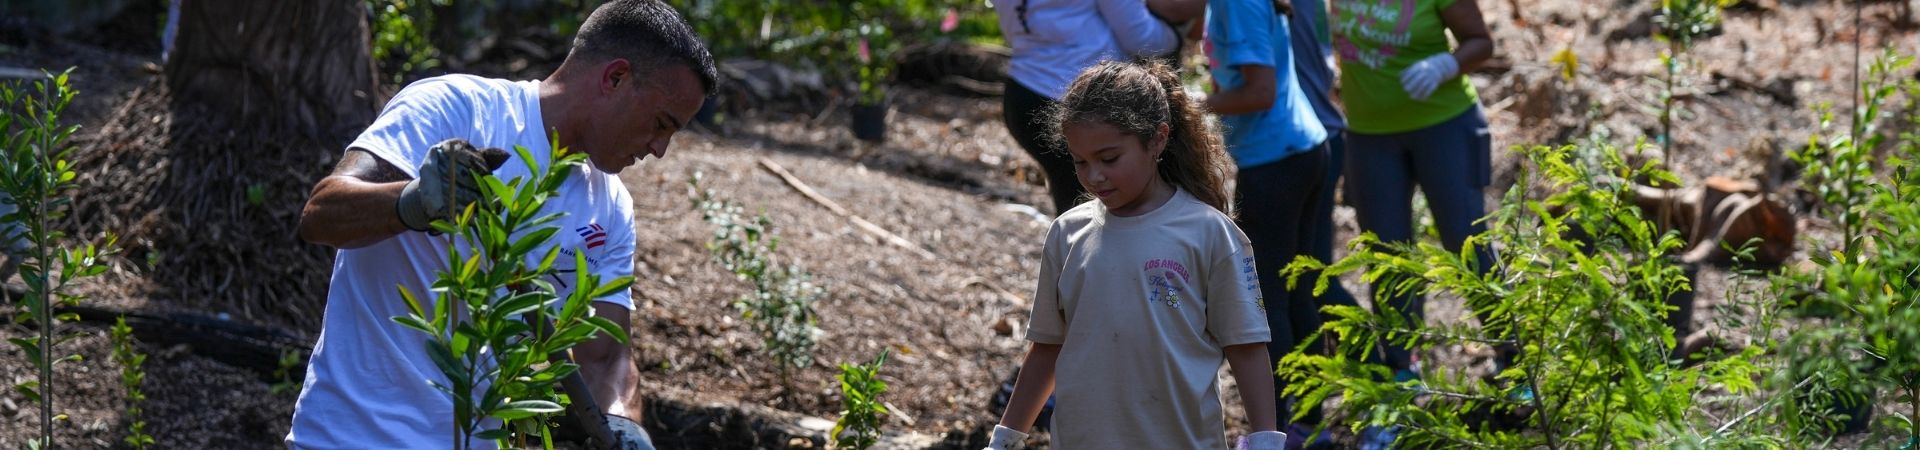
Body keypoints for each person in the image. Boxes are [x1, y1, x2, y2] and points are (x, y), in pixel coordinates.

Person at [286, 1, 716, 448]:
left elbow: (605, 357)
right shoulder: (458, 109)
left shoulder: (610, 208)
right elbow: (322, 215)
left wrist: (623, 422)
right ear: (615, 78)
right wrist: (413, 201)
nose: (660, 149)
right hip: (352, 438)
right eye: (661, 124)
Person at [984, 61, 1285, 450]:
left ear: (1157, 140)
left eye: (1109, 159)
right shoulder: (1067, 233)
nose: (1094, 176)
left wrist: (1265, 439)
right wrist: (1005, 439)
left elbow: (1245, 347)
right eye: (1080, 162)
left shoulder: (1209, 233)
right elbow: (1047, 347)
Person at [1329, 0, 1496, 447]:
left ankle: (1516, 361)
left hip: (1443, 126)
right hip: (1368, 136)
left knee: (1468, 243)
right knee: (1387, 258)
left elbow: (1481, 42)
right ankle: (1401, 379)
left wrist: (1447, 64)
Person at [1199, 0, 1331, 439]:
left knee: (1268, 296)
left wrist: (1196, 104)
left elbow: (1259, 92)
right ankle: (1312, 424)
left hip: (1278, 161)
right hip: (1301, 149)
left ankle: (1277, 429)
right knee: (1295, 293)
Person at [996, 0, 1193, 214]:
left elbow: (1013, 28)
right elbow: (1142, 38)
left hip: (1022, 92)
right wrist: (1177, 33)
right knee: (1092, 211)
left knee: (1074, 202)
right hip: (1088, 105)